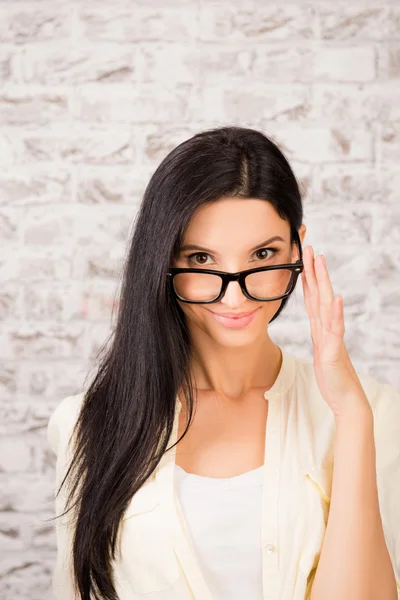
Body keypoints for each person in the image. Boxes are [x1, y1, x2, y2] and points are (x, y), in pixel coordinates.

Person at [46, 126, 400, 600]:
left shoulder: (371, 413)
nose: (234, 296)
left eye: (263, 254)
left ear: (299, 249)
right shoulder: (87, 422)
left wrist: (353, 416)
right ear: (163, 261)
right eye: (201, 258)